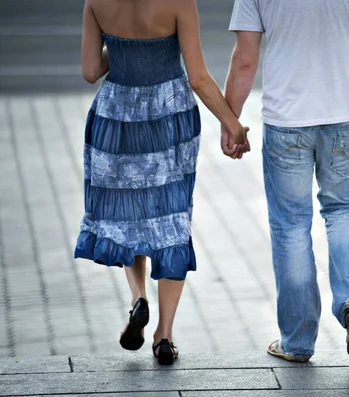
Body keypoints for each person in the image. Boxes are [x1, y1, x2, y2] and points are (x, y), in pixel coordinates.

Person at [224, 0, 349, 362]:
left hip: (287, 120)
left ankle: (297, 342)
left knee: (291, 225)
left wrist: (231, 120)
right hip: (347, 116)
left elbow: (245, 59)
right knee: (344, 211)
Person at [75, 0, 248, 365]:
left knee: (128, 213)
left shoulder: (96, 2)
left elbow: (91, 70)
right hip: (168, 117)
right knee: (170, 217)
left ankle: (138, 298)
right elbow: (198, 76)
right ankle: (164, 335)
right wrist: (231, 122)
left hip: (115, 114)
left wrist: (121, 48)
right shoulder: (180, 2)